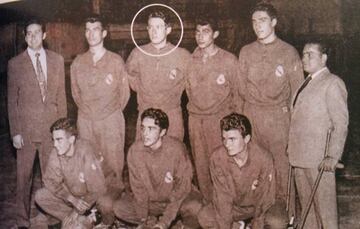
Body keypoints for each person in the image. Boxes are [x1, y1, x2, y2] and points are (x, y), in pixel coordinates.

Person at [237, 2, 304, 222]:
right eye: (254, 21)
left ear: (274, 22)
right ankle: (259, 215)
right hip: (252, 115)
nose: (258, 25)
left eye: (263, 20)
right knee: (255, 165)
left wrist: (294, 127)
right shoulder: (246, 52)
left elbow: (297, 93)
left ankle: (288, 217)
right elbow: (240, 89)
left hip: (278, 118)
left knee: (281, 168)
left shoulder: (288, 52)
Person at [70, 14, 130, 225]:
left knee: (113, 167)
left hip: (111, 120)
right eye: (87, 29)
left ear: (104, 33)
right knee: (90, 166)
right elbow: (75, 94)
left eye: (96, 29)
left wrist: (108, 114)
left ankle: (117, 212)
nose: (91, 33)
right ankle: (94, 212)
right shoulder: (78, 62)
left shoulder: (115, 60)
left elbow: (124, 95)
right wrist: (90, 114)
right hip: (86, 120)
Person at [7, 19, 67, 228]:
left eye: (37, 32)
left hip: (51, 130)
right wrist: (15, 132)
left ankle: (53, 217)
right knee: (24, 180)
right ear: (25, 38)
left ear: (44, 35)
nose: (33, 37)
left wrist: (63, 131)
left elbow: (62, 97)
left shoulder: (57, 60)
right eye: (29, 33)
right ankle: (22, 220)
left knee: (53, 177)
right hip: (26, 132)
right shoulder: (15, 64)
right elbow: (12, 102)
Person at [288, 41, 348, 229]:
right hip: (300, 158)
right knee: (307, 213)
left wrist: (332, 155)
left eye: (310, 55)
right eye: (303, 54)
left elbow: (341, 123)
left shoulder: (333, 83)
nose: (304, 58)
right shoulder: (304, 83)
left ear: (324, 58)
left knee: (326, 214)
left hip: (319, 161)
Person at [113, 108, 202, 229]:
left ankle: (180, 225)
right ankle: (152, 222)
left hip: (176, 200)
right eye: (143, 128)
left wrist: (165, 222)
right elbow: (139, 191)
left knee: (195, 207)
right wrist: (144, 220)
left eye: (151, 129)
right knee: (119, 208)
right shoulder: (135, 151)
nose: (145, 133)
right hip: (152, 203)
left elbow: (181, 189)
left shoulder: (176, 149)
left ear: (162, 132)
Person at [185, 17, 242, 202]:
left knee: (222, 164)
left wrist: (234, 127)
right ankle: (209, 205)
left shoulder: (228, 60)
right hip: (195, 120)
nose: (200, 37)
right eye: (197, 32)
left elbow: (238, 94)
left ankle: (229, 206)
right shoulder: (190, 60)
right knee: (201, 166)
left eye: (206, 32)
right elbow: (187, 89)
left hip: (219, 120)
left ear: (215, 34)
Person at [197, 113, 275, 229]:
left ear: (247, 139)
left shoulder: (263, 158)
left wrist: (257, 225)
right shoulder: (217, 158)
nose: (227, 144)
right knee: (205, 216)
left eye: (232, 139)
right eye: (224, 139)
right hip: (235, 208)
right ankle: (238, 226)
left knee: (276, 221)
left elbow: (265, 199)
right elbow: (223, 200)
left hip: (258, 207)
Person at [126, 10, 190, 141]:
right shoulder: (138, 53)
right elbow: (130, 77)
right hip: (145, 113)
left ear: (168, 30)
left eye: (159, 27)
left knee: (172, 153)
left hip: (171, 114)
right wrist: (145, 90)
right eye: (151, 27)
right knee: (144, 155)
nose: (154, 32)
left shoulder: (182, 55)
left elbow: (189, 82)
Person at [34, 118, 107, 229]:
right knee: (40, 196)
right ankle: (76, 220)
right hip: (73, 196)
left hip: (90, 199)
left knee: (77, 225)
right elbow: (50, 181)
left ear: (71, 139)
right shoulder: (56, 152)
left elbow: (97, 189)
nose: (55, 144)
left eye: (59, 140)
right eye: (53, 140)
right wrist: (71, 199)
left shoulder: (85, 151)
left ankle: (88, 218)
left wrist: (77, 211)